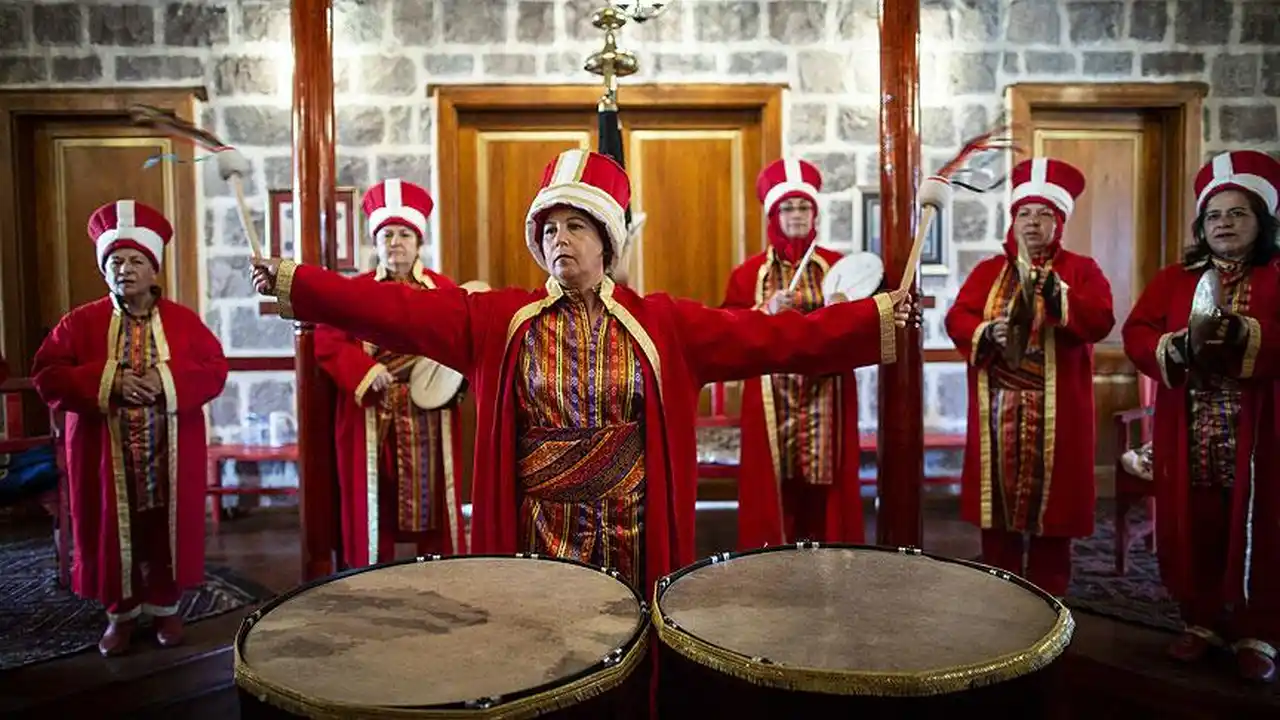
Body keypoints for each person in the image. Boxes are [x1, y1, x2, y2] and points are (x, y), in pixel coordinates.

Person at [252, 149, 913, 592]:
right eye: (549, 228)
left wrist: (875, 317)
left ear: (607, 239)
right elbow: (388, 308)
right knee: (547, 651)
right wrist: (299, 283)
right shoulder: (497, 321)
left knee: (630, 646)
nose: (559, 240)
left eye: (576, 225)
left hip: (634, 526)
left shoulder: (663, 325)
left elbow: (778, 337)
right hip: (538, 526)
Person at [32, 199, 228, 656]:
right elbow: (47, 373)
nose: (125, 269)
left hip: (169, 451)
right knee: (110, 527)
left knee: (161, 527)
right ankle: (119, 615)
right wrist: (111, 381)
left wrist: (165, 379)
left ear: (153, 268)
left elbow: (215, 368)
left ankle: (164, 608)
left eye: (136, 260)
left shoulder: (183, 321)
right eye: (115, 261)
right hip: (105, 452)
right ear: (104, 269)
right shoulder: (78, 323)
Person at [1122, 149, 1280, 683]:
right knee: (1199, 522)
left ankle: (1260, 630)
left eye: (1237, 213)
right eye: (1214, 215)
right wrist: (1173, 346)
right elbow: (1137, 331)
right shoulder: (1174, 279)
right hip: (1191, 426)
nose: (1224, 223)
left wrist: (1249, 337)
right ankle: (1201, 621)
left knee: (1262, 525)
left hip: (1262, 431)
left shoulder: (1278, 277)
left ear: (1261, 221)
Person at [943, 157, 1115, 597]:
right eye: (1024, 213)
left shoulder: (1082, 270)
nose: (1033, 222)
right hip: (998, 409)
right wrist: (987, 332)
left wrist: (1059, 296)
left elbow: (1099, 320)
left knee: (1052, 512)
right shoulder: (987, 272)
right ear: (1012, 220)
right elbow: (957, 318)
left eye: (1044, 214)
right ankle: (999, 594)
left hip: (1057, 412)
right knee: (997, 510)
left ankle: (1048, 600)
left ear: (1059, 222)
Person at [315, 179, 466, 567]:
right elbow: (327, 340)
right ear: (375, 242)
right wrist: (365, 370)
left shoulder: (444, 290)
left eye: (404, 234)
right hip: (375, 412)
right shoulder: (355, 291)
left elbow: (465, 341)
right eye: (387, 234)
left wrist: (452, 379)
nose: (395, 242)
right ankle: (370, 583)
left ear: (418, 241)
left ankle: (441, 581)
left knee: (434, 499)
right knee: (373, 503)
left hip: (429, 414)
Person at [721, 158, 863, 547]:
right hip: (771, 396)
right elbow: (724, 330)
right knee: (773, 486)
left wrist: (842, 311)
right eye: (788, 207)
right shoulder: (747, 275)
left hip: (827, 395)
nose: (797, 215)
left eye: (804, 207)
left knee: (824, 488)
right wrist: (764, 311)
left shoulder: (839, 267)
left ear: (815, 213)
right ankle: (773, 565)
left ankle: (829, 564)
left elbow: (862, 326)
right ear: (773, 216)